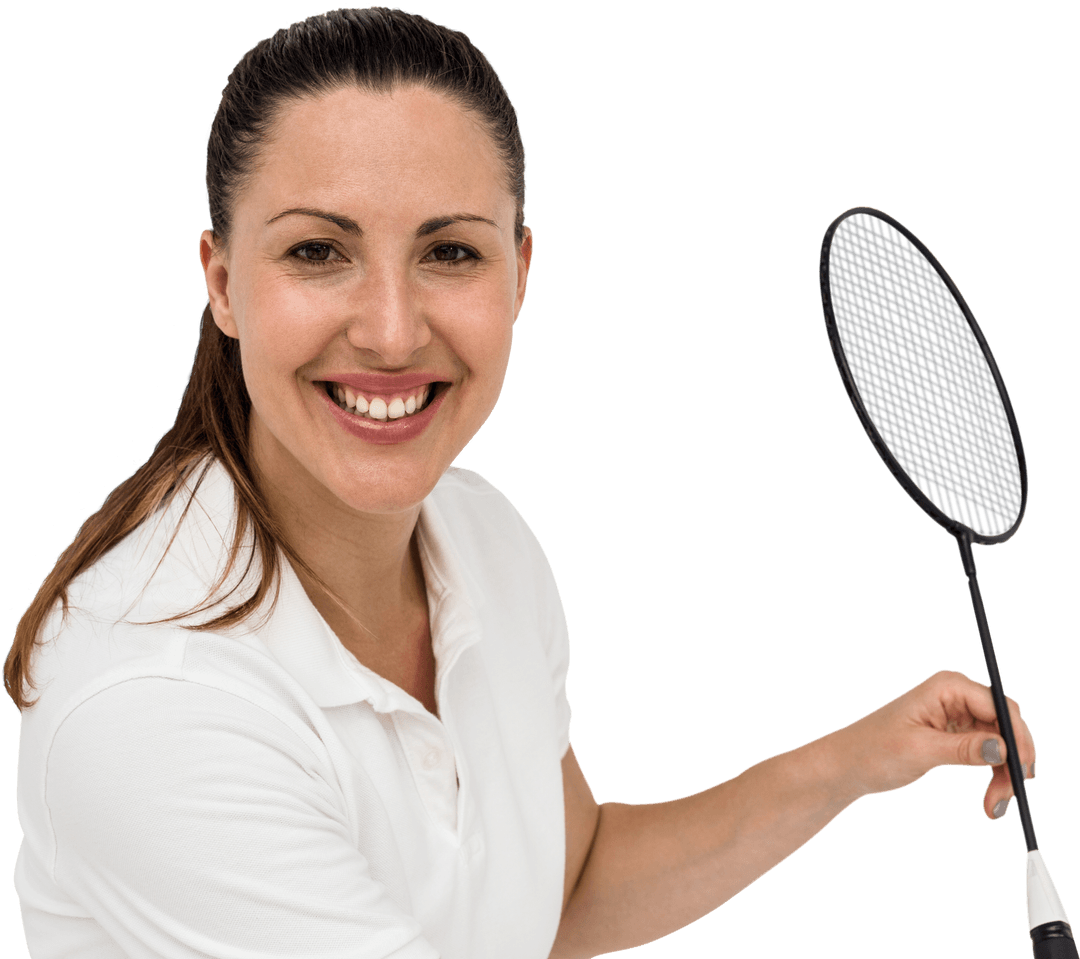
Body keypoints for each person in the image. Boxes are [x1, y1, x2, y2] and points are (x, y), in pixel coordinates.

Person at [6, 7, 1037, 959]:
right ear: (223, 281)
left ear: (520, 274)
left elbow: (567, 886)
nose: (393, 328)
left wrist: (852, 760)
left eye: (450, 251)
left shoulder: (479, 533)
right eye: (319, 251)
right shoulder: (152, 706)